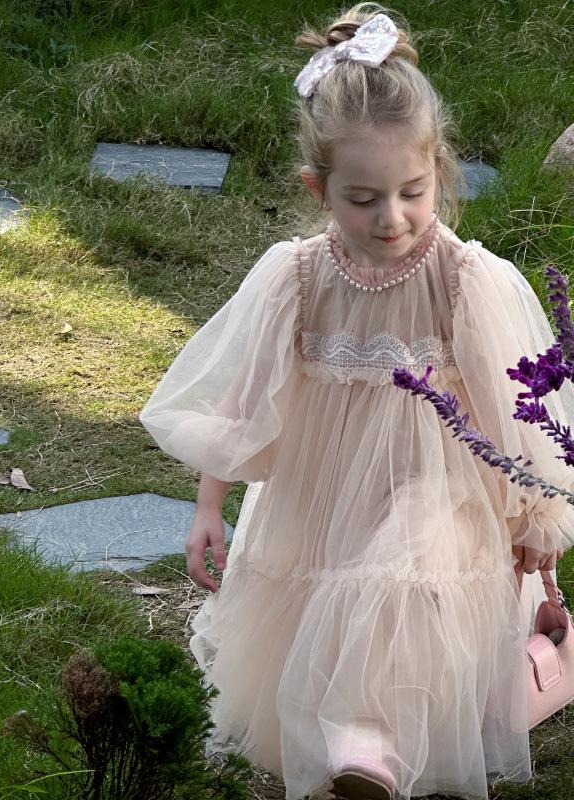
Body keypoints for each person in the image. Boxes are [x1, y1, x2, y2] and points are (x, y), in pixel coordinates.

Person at [139, 4, 574, 799]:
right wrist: (210, 503)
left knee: (396, 579)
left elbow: (522, 407)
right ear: (319, 187)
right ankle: (346, 741)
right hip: (326, 491)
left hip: (438, 487)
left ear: (438, 169)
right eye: (364, 198)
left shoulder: (464, 280)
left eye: (413, 192)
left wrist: (536, 513)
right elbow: (244, 404)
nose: (393, 218)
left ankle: (369, 742)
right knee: (335, 596)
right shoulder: (297, 278)